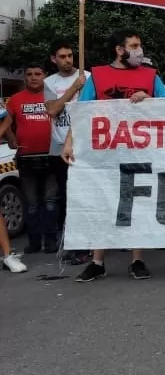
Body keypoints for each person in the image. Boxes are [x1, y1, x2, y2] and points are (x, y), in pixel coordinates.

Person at [63, 29, 165, 282]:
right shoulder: (97, 76)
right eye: (134, 45)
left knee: (138, 203)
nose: (139, 50)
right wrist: (69, 142)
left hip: (139, 150)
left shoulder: (150, 75)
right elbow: (82, 113)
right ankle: (97, 261)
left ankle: (137, 260)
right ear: (119, 50)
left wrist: (149, 100)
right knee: (103, 203)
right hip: (104, 153)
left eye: (139, 45)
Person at [0, 64, 57, 254]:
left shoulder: (54, 96)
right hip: (26, 158)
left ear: (45, 76)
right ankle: (34, 242)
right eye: (29, 74)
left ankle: (51, 241)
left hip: (51, 157)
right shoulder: (16, 100)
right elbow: (7, 122)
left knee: (50, 201)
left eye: (38, 74)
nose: (33, 77)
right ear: (25, 77)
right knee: (31, 203)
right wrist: (11, 138)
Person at [44, 39, 91, 265]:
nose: (67, 60)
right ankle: (71, 243)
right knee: (67, 198)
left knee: (88, 196)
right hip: (59, 148)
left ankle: (90, 244)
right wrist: (74, 88)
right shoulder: (50, 82)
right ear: (54, 59)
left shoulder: (89, 77)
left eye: (70, 55)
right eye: (62, 56)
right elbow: (52, 110)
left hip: (86, 146)